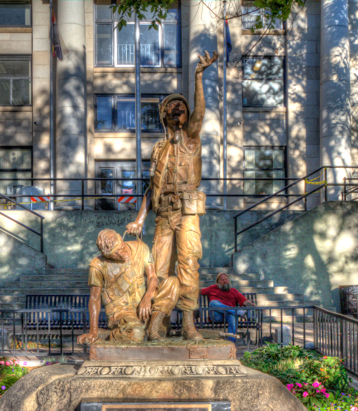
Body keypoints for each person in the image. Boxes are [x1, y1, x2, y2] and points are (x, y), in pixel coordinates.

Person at [126, 51, 219, 341]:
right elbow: (150, 187)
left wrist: (199, 76)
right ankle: (159, 321)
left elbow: (200, 112)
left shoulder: (191, 137)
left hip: (187, 210)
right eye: (173, 106)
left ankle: (189, 323)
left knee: (189, 262)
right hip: (163, 213)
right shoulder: (158, 149)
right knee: (158, 266)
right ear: (165, 114)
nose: (179, 109)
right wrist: (140, 218)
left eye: (182, 106)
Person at [78, 230, 178, 344]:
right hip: (121, 312)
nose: (121, 255)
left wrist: (148, 296)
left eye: (121, 248)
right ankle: (107, 334)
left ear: (121, 238)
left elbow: (152, 277)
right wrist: (93, 331)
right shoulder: (97, 265)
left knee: (172, 283)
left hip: (144, 305)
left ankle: (153, 330)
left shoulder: (141, 248)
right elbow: (94, 299)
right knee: (136, 334)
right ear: (106, 255)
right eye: (114, 254)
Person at [200, 273, 255, 342]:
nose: (225, 281)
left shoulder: (233, 291)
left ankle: (231, 343)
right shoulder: (212, 288)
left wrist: (253, 305)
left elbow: (244, 301)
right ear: (218, 282)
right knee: (213, 303)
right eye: (222, 280)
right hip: (216, 316)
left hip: (228, 316)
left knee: (232, 316)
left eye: (226, 279)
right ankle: (237, 312)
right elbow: (199, 292)